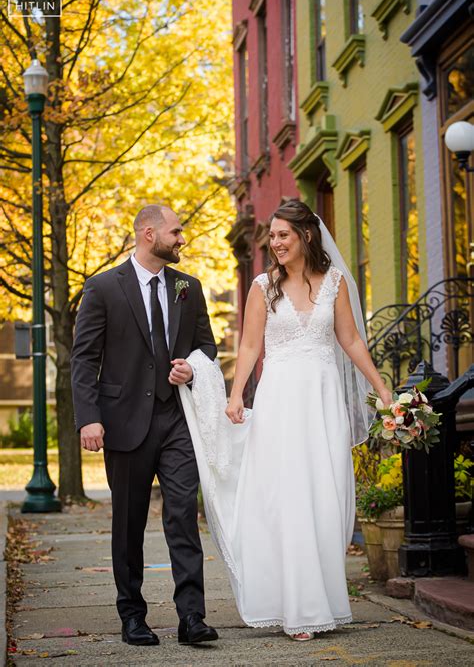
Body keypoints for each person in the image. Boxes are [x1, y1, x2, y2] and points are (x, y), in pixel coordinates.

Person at [179, 198, 392, 642]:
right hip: (280, 402)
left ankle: (324, 602)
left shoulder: (333, 282)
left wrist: (382, 388)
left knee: (324, 494)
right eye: (272, 236)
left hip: (322, 399)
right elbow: (251, 346)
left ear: (305, 237)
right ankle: (297, 607)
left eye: (282, 235)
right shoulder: (262, 286)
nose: (275, 243)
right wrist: (236, 395)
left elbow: (350, 340)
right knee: (289, 496)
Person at [71, 205, 219, 647]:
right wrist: (89, 418)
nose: (182, 240)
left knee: (183, 519)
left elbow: (207, 348)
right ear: (149, 233)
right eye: (176, 232)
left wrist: (191, 371)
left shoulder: (188, 288)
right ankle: (132, 616)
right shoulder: (102, 288)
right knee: (128, 523)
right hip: (123, 424)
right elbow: (84, 359)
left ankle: (192, 618)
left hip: (177, 421)